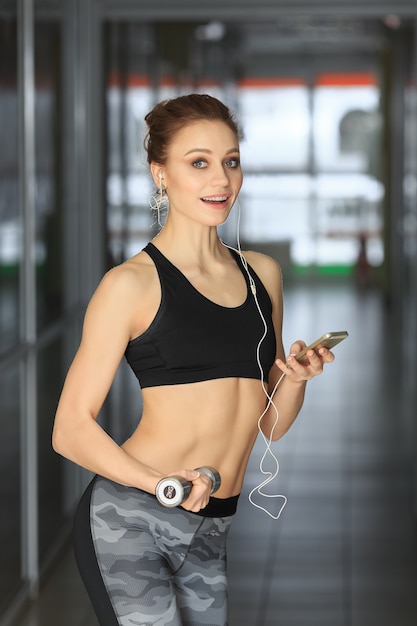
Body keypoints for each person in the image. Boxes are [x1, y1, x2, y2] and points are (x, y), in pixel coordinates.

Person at [52, 93, 335, 626]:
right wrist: (164, 485)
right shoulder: (130, 285)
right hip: (132, 519)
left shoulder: (261, 275)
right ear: (161, 174)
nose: (221, 179)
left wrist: (294, 380)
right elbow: (69, 429)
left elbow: (268, 425)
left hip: (212, 526)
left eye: (231, 161)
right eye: (198, 162)